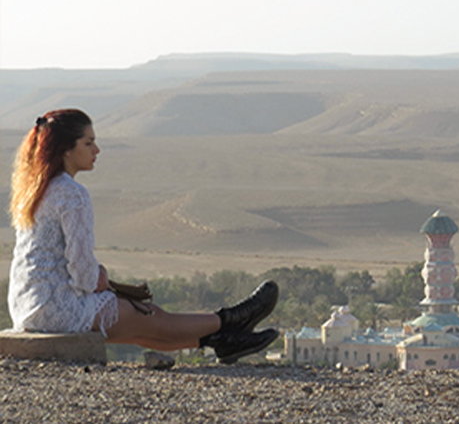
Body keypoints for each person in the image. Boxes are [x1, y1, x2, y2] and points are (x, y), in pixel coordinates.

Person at [7, 109, 279, 363]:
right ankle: (231, 319)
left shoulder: (34, 189)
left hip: (26, 304)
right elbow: (81, 270)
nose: (96, 150)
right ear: (66, 149)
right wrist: (98, 278)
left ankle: (223, 340)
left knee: (138, 331)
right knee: (149, 316)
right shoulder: (72, 194)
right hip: (56, 307)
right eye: (88, 143)